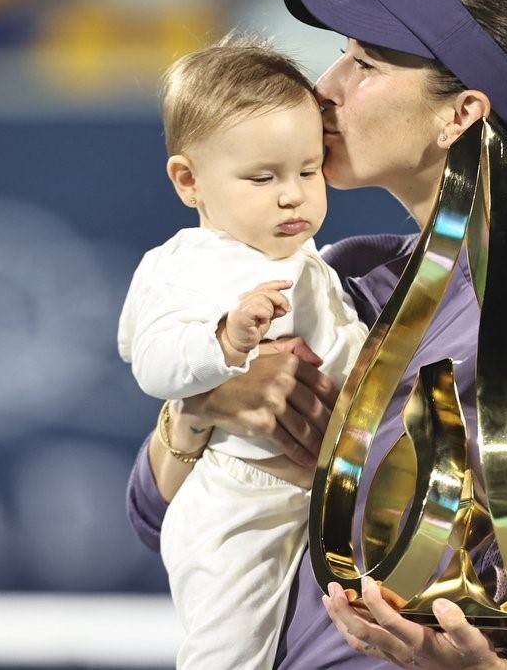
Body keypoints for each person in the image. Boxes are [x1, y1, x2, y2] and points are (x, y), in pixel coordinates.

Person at [126, 0, 507, 669]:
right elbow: (152, 513)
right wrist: (201, 410)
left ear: (460, 113)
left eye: (364, 66)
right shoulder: (340, 274)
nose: (324, 90)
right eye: (339, 58)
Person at [117, 39, 370, 669]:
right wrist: (225, 343)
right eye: (262, 178)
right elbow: (149, 359)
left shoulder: (311, 262)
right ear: (189, 181)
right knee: (228, 654)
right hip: (238, 500)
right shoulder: (184, 264)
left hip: (315, 501)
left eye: (309, 171)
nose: (292, 196)